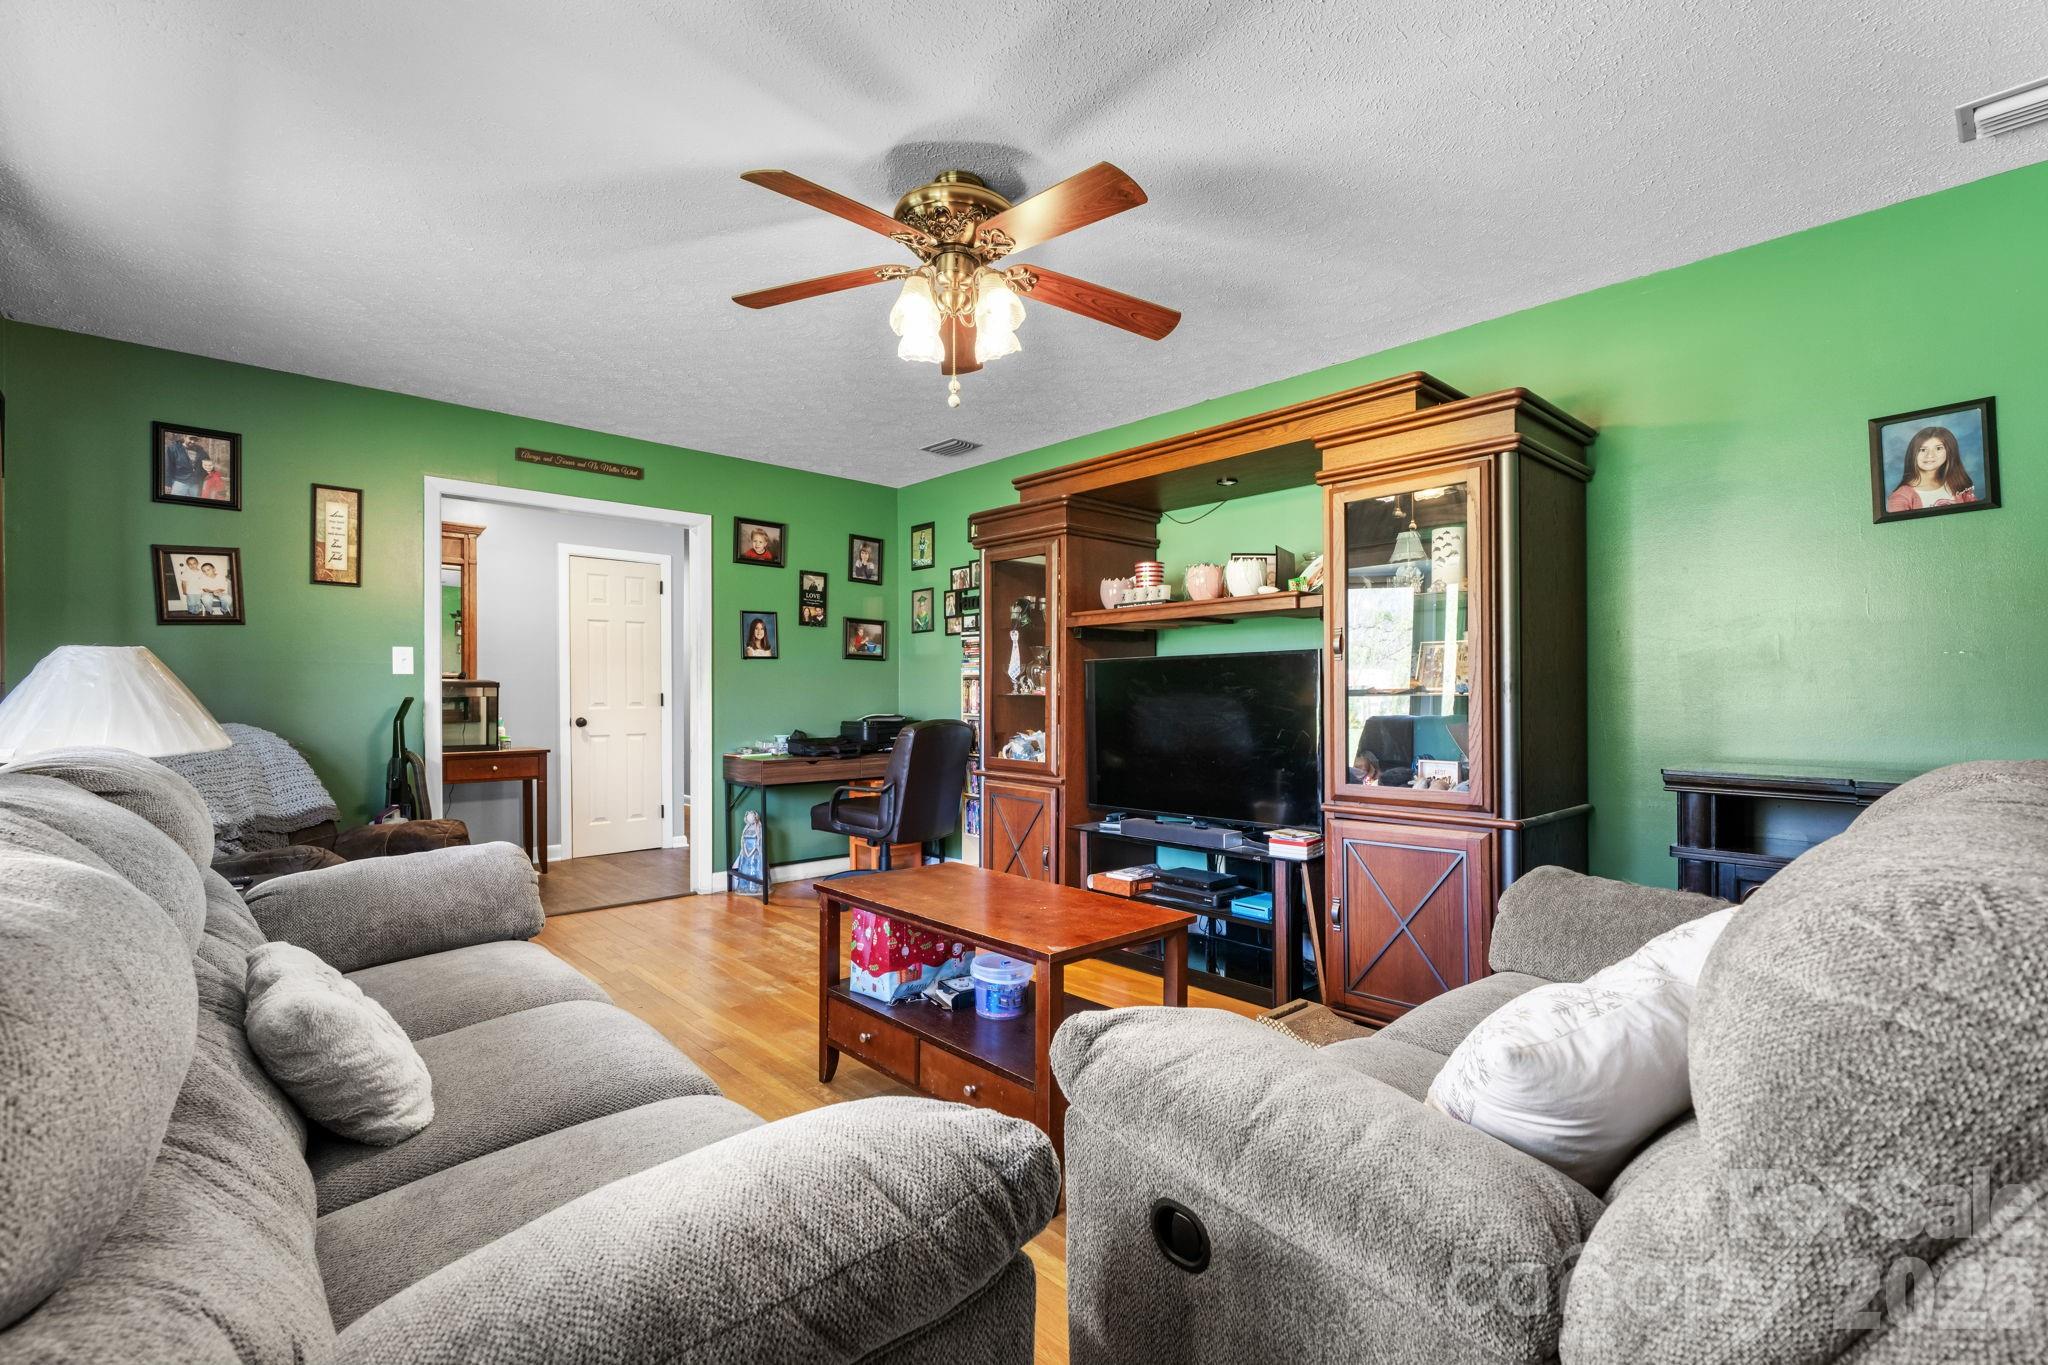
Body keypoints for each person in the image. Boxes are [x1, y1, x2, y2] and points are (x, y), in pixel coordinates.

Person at [1886, 426, 1978, 513]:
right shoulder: (1900, 498)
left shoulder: (1958, 485)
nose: (1930, 455)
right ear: (1913, 454)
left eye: (1938, 448)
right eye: (1922, 450)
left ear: (1950, 451)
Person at [163, 435, 204, 499]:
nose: (193, 441)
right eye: (191, 438)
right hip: (180, 482)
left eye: (195, 439)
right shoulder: (173, 448)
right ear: (185, 436)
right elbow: (168, 466)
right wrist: (167, 483)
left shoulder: (200, 450)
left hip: (195, 484)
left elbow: (204, 465)